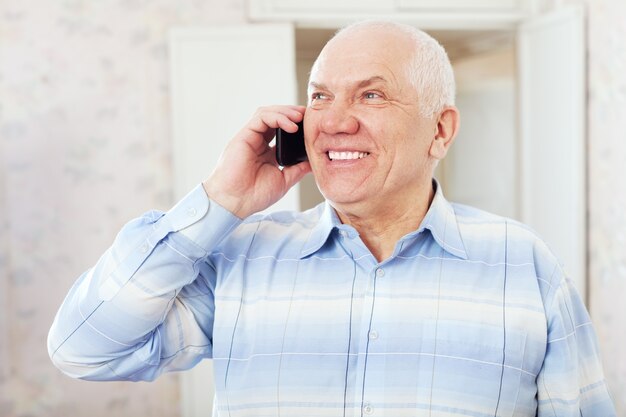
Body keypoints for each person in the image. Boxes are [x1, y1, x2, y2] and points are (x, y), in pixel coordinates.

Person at [48, 20, 616, 417]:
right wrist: (219, 201)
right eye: (320, 98)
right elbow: (82, 348)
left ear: (439, 130)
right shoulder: (244, 256)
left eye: (371, 96)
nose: (335, 122)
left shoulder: (522, 263)